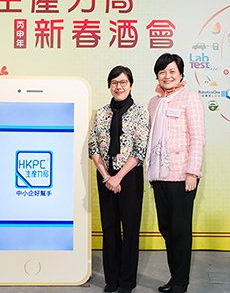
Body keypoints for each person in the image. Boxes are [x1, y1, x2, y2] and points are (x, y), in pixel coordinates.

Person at [146, 53, 205, 293]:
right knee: (166, 228)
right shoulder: (153, 102)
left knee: (180, 230)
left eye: (172, 71)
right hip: (159, 175)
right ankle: (174, 277)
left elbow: (198, 137)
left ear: (181, 74)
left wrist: (192, 172)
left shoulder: (190, 98)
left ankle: (181, 282)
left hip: (182, 175)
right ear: (157, 75)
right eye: (162, 72)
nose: (167, 76)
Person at [88, 66, 149, 293]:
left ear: (130, 85)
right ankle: (111, 280)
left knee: (130, 231)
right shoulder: (101, 113)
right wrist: (106, 176)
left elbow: (140, 150)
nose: (119, 86)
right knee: (110, 229)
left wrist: (118, 177)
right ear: (109, 86)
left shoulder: (141, 113)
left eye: (123, 82)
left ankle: (126, 282)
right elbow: (93, 146)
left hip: (129, 178)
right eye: (114, 82)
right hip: (105, 177)